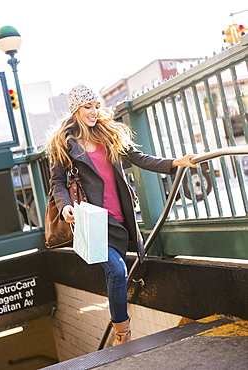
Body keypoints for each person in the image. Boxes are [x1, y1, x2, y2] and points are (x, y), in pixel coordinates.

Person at [46, 84, 197, 346]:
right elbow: (57, 182)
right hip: (93, 222)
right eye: (87, 107)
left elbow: (139, 157)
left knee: (117, 271)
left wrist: (174, 163)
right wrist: (64, 206)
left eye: (96, 106)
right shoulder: (64, 144)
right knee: (116, 269)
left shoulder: (107, 135)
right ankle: (122, 334)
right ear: (76, 110)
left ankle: (120, 333)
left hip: (119, 218)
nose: (94, 112)